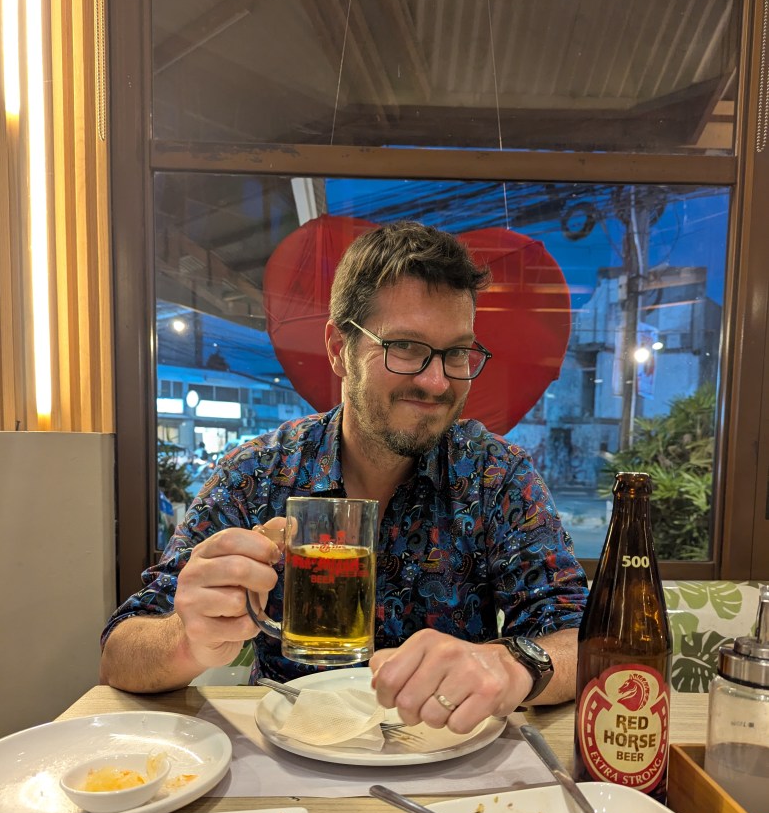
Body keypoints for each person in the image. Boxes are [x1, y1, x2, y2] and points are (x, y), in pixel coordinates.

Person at [100, 221, 588, 733]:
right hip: (286, 761)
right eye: (405, 347)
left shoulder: (494, 477)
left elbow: (583, 638)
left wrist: (514, 665)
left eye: (456, 353)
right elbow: (120, 653)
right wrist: (187, 638)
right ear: (338, 348)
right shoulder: (259, 474)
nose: (436, 381)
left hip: (448, 760)